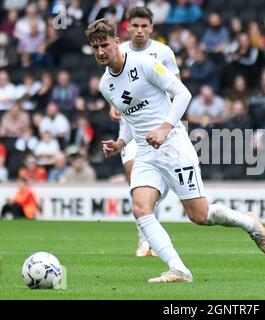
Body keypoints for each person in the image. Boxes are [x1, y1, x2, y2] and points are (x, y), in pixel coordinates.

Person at [87, 18, 265, 283]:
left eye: (104, 45)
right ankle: (179, 269)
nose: (100, 52)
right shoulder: (106, 85)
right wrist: (121, 143)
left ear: (117, 42)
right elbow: (130, 117)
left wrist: (164, 128)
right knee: (141, 209)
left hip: (172, 144)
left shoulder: (145, 64)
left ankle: (249, 223)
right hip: (145, 152)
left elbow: (183, 94)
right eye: (95, 48)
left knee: (200, 215)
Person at [108, 7, 181, 257]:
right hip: (129, 129)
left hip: (160, 130)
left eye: (144, 26)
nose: (139, 31)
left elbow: (176, 88)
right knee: (135, 182)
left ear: (151, 28)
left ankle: (152, 236)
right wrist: (113, 107)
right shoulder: (120, 51)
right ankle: (145, 240)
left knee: (155, 190)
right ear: (128, 27)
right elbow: (114, 86)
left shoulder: (163, 52)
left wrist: (166, 125)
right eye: (135, 26)